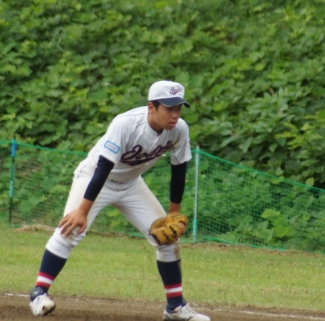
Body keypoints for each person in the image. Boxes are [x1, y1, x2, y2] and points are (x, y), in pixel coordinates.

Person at [29, 80, 210, 321]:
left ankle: (175, 308)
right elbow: (103, 167)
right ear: (152, 107)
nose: (175, 115)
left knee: (168, 239)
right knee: (71, 230)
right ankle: (38, 294)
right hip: (94, 177)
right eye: (169, 108)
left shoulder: (179, 130)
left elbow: (179, 169)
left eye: (178, 108)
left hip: (132, 184)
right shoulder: (126, 124)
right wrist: (82, 210)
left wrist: (172, 214)